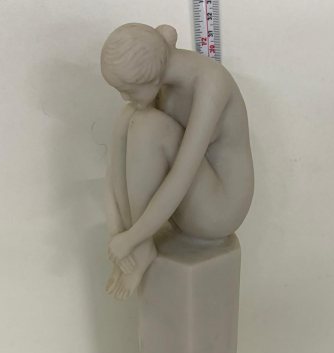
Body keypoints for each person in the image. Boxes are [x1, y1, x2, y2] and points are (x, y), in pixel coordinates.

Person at [101, 23, 254, 299]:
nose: (124, 97)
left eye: (128, 90)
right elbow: (114, 161)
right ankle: (141, 246)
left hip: (220, 209)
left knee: (147, 126)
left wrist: (131, 238)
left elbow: (183, 174)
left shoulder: (211, 84)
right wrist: (117, 231)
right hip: (190, 199)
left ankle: (140, 243)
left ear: (151, 78)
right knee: (129, 116)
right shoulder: (161, 59)